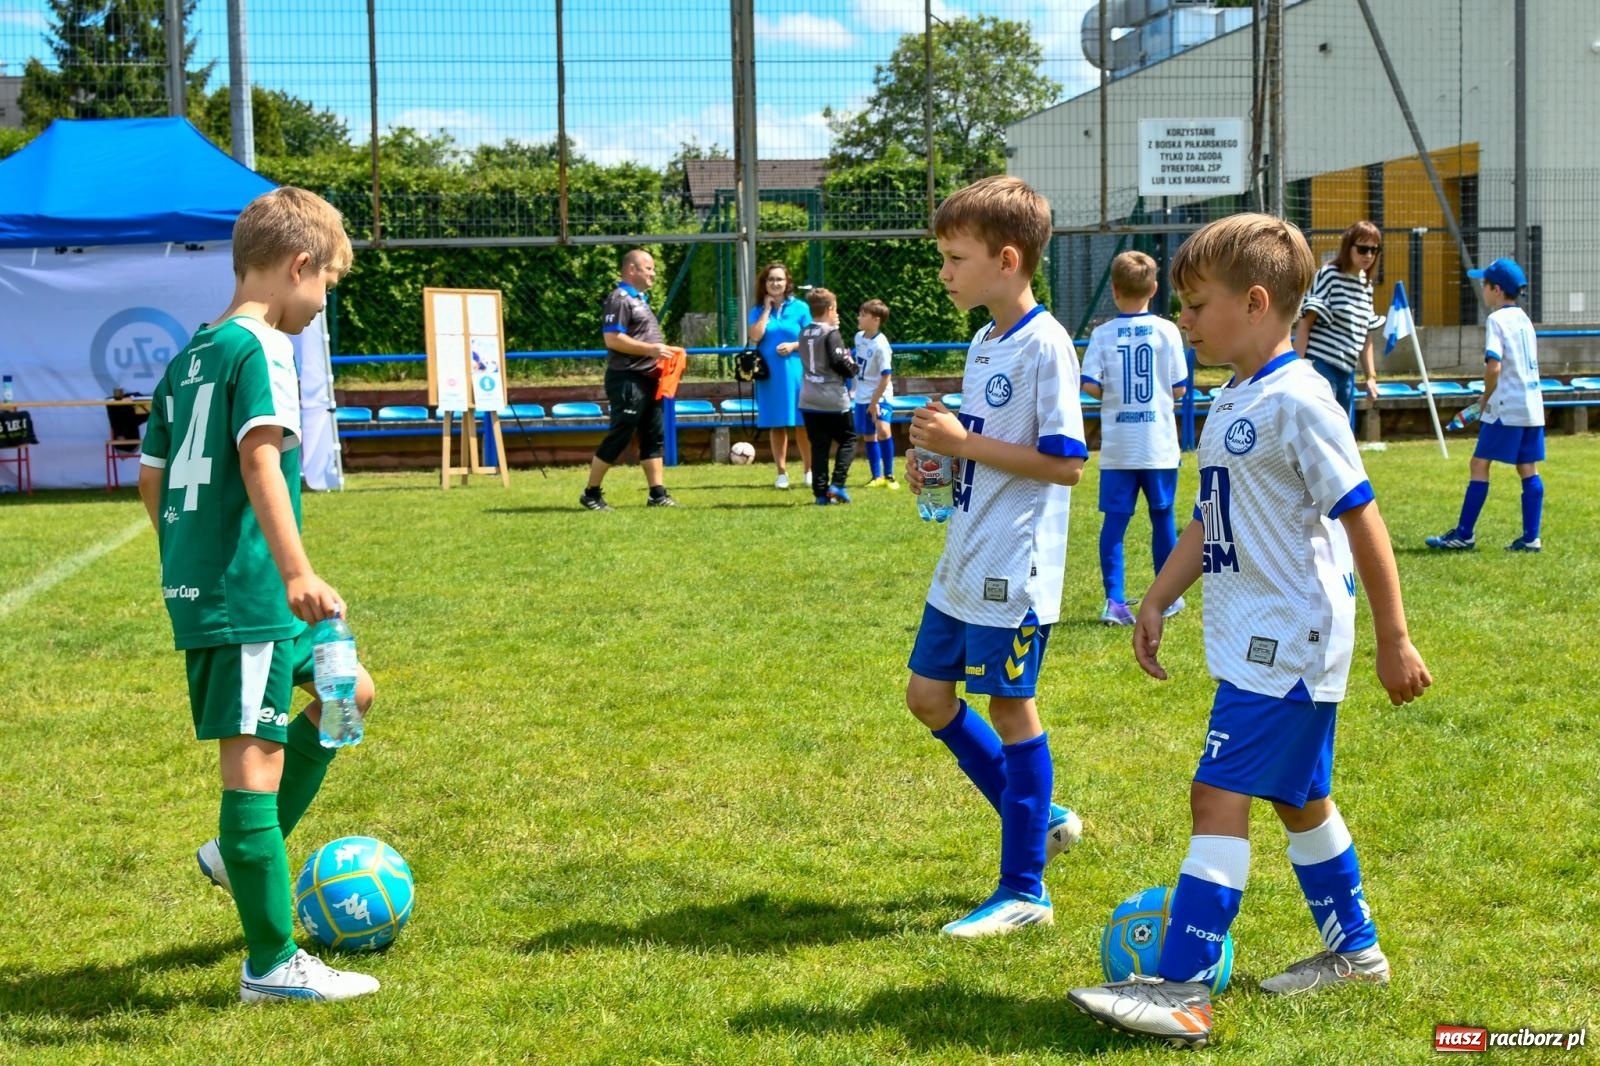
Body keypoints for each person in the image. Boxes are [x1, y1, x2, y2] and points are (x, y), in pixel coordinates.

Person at [1067, 214, 1432, 1049]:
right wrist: (1157, 597)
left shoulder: (1300, 399)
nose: (1185, 320)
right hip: (1261, 636)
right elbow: (1210, 518)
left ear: (1257, 302)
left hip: (1290, 638)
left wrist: (1394, 637)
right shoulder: (1235, 396)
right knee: (1301, 801)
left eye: (1196, 305)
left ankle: (1184, 987)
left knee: (1216, 793)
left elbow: (1363, 516)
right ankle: (1358, 955)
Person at [137, 186, 381, 1003]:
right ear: (298, 266)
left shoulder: (190, 356)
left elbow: (152, 478)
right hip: (250, 598)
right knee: (254, 763)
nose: (321, 306)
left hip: (233, 588)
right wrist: (295, 572)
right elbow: (260, 462)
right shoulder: (265, 348)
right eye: (326, 287)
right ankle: (271, 964)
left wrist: (187, 557)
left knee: (349, 695)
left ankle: (236, 852)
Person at [902, 175, 1088, 938]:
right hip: (965, 555)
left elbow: (1067, 461)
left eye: (955, 257)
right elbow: (985, 449)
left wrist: (964, 443)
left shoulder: (1049, 345)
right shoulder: (984, 341)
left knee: (1012, 709)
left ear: (1006, 260)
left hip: (1016, 568)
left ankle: (1024, 892)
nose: (944, 271)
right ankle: (1039, 816)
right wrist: (939, 464)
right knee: (928, 698)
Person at [1079, 250, 1190, 626]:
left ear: (1113, 290)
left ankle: (1115, 601)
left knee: (1115, 525)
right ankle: (1169, 597)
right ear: (1155, 289)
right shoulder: (1167, 331)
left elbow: (1090, 384)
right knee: (1163, 520)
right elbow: (1178, 389)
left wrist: (1115, 394)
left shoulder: (1103, 334)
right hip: (1158, 445)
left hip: (1119, 448)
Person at [1426, 257, 1545, 552]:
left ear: (1495, 289)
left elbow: (1494, 366)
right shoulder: (1525, 321)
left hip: (1506, 406)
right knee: (1527, 467)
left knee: (1479, 464)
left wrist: (1484, 398)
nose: (1483, 289)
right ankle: (1531, 537)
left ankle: (1464, 534)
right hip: (1532, 406)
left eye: (1485, 284)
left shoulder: (1497, 320)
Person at [581, 249, 677, 510]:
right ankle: (591, 493)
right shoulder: (619, 299)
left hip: (650, 378)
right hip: (628, 379)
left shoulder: (640, 300)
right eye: (649, 268)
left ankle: (657, 494)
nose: (653, 273)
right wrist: (651, 350)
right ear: (632, 270)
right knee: (620, 435)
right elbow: (612, 339)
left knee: (653, 435)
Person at [1292, 221, 1385, 428]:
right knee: (1322, 430)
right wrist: (1295, 368)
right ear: (1348, 247)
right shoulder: (1329, 275)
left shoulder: (1366, 285)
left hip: (1346, 372)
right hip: (1321, 365)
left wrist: (1371, 377)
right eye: (1362, 249)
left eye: (1373, 250)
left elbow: (1365, 335)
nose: (1368, 255)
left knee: (1342, 434)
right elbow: (1306, 322)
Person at [747, 262, 813, 489]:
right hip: (770, 376)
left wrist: (794, 346)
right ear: (764, 284)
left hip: (796, 372)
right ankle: (781, 473)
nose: (775, 283)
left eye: (779, 279)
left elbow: (810, 337)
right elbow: (755, 336)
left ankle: (808, 471)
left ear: (787, 283)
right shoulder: (756, 310)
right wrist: (766, 310)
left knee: (802, 423)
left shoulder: (801, 308)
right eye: (771, 280)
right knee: (776, 423)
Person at [796, 288, 859, 504]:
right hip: (832, 397)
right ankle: (837, 484)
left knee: (819, 446)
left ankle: (820, 495)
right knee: (849, 439)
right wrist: (853, 366)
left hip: (807, 397)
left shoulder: (803, 332)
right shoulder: (831, 333)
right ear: (830, 309)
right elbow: (839, 362)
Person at [852, 299, 899, 489]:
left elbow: (886, 377)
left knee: (883, 430)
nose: (859, 318)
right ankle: (876, 476)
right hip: (861, 396)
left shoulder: (881, 345)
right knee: (868, 435)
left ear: (876, 320)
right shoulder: (858, 337)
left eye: (864, 315)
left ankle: (889, 476)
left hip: (880, 395)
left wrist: (875, 401)